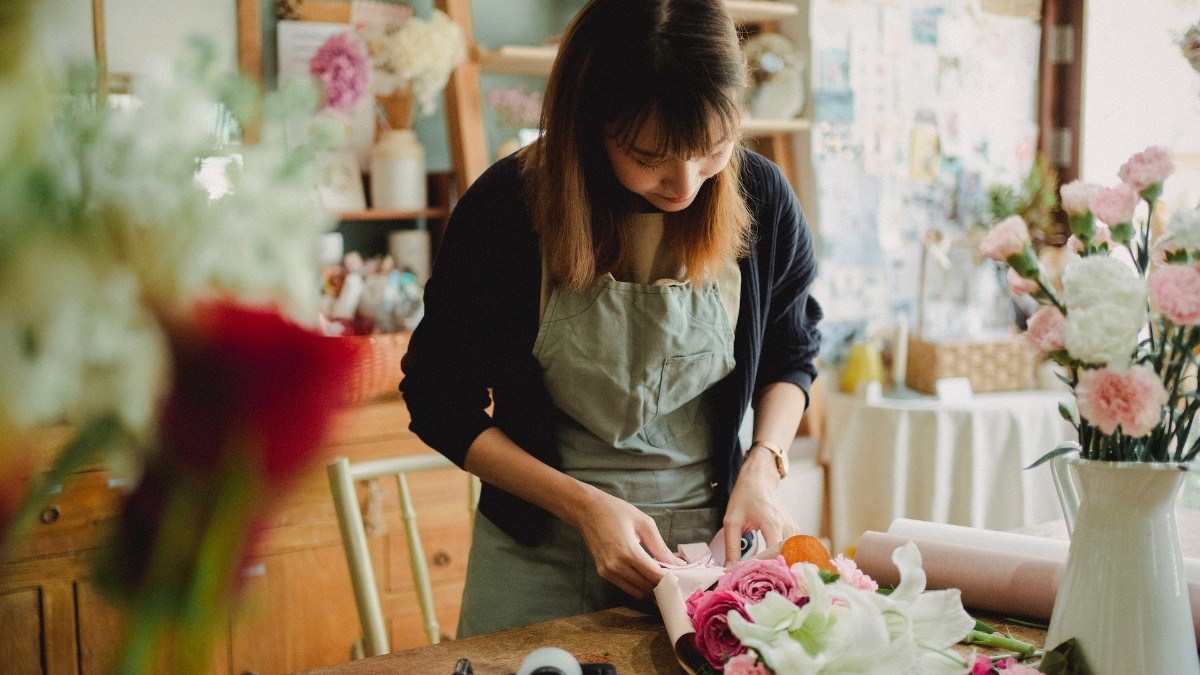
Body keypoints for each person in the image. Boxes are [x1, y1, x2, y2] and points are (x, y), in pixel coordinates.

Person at [400, 0, 822, 637]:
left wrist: (764, 463)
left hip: (704, 550)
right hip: (538, 547)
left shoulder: (760, 197)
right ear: (589, 124)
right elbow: (437, 399)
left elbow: (791, 354)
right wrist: (582, 505)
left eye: (711, 149)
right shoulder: (507, 209)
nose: (684, 186)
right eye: (650, 156)